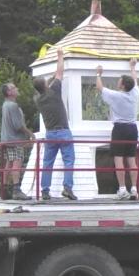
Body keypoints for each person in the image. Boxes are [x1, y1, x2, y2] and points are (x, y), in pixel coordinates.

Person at [32, 47, 77, 201]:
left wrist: (48, 81)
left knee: (47, 163)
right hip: (64, 132)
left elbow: (51, 81)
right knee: (69, 161)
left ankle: (45, 191)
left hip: (50, 133)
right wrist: (60, 56)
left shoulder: (38, 99)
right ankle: (68, 188)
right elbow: (60, 72)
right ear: (46, 85)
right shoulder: (54, 91)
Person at [96, 57, 139, 200]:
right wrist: (133, 67)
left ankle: (122, 189)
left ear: (122, 86)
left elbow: (100, 88)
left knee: (119, 159)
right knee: (132, 159)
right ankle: (134, 188)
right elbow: (135, 79)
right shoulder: (135, 93)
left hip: (120, 129)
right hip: (133, 129)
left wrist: (98, 74)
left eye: (119, 80)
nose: (118, 81)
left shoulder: (116, 96)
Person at [0, 82, 35, 201]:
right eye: (14, 88)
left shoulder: (5, 105)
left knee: (9, 163)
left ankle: (4, 190)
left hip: (6, 139)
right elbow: (18, 125)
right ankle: (16, 190)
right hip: (15, 140)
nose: (17, 89)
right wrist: (31, 134)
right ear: (9, 92)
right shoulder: (13, 106)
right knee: (17, 162)